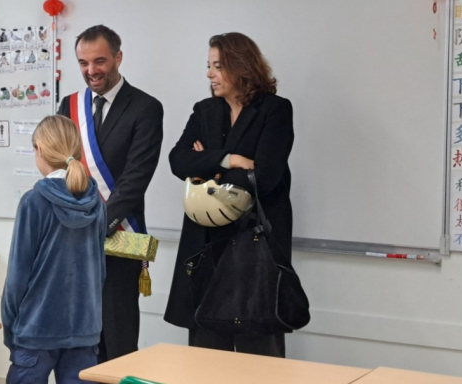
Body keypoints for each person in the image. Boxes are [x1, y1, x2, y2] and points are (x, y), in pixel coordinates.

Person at [163, 32, 295, 357]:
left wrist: (205, 161)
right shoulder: (206, 109)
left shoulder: (274, 110)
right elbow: (177, 160)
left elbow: (264, 177)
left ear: (242, 66)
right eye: (208, 65)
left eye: (218, 66)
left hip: (254, 249)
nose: (209, 73)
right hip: (206, 246)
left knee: (259, 359)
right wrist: (230, 159)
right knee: (206, 359)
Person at [57, 24, 163, 362]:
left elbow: (136, 177)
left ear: (118, 57)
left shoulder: (146, 107)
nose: (91, 71)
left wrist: (98, 225)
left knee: (118, 340)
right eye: (83, 63)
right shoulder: (68, 105)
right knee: (78, 341)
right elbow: (61, 169)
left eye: (100, 61)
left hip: (120, 236)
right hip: (74, 241)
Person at [2, 115, 106, 384]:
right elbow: (100, 273)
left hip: (36, 330)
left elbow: (17, 277)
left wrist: (12, 331)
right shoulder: (97, 203)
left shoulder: (33, 202)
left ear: (39, 149)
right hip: (85, 330)